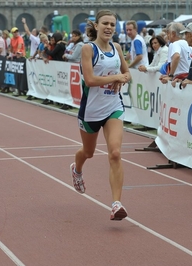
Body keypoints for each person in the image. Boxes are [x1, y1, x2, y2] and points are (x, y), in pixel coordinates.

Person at [71, 10, 131, 221]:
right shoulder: (88, 49)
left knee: (115, 153)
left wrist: (122, 78)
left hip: (113, 106)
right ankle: (77, 169)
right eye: (105, 23)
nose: (109, 27)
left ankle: (116, 204)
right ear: (96, 26)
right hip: (91, 111)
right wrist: (115, 76)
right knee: (88, 152)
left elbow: (127, 73)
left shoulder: (116, 48)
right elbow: (89, 80)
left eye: (112, 25)